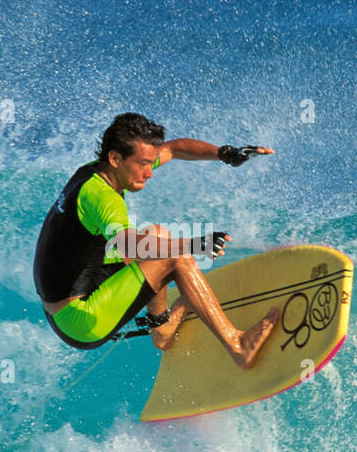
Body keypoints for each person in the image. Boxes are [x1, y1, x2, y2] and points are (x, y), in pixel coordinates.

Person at [34, 112, 280, 368]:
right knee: (173, 256)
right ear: (115, 158)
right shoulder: (102, 198)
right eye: (143, 164)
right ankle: (238, 346)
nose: (149, 173)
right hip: (80, 320)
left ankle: (161, 329)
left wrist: (226, 154)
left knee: (158, 234)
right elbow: (129, 246)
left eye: (150, 163)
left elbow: (173, 149)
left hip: (75, 294)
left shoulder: (96, 171)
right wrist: (194, 245)